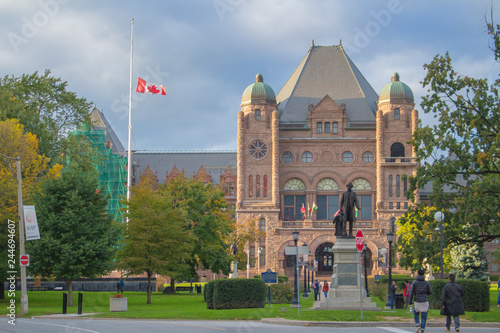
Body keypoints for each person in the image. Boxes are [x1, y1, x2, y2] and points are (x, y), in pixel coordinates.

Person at [409, 269, 432, 333]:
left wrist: (410, 302)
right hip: (424, 300)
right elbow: (430, 292)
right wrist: (426, 294)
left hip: (417, 300)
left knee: (416, 313)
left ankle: (417, 324)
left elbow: (411, 293)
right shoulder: (427, 283)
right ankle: (422, 329)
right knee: (424, 316)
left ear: (417, 273)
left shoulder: (414, 282)